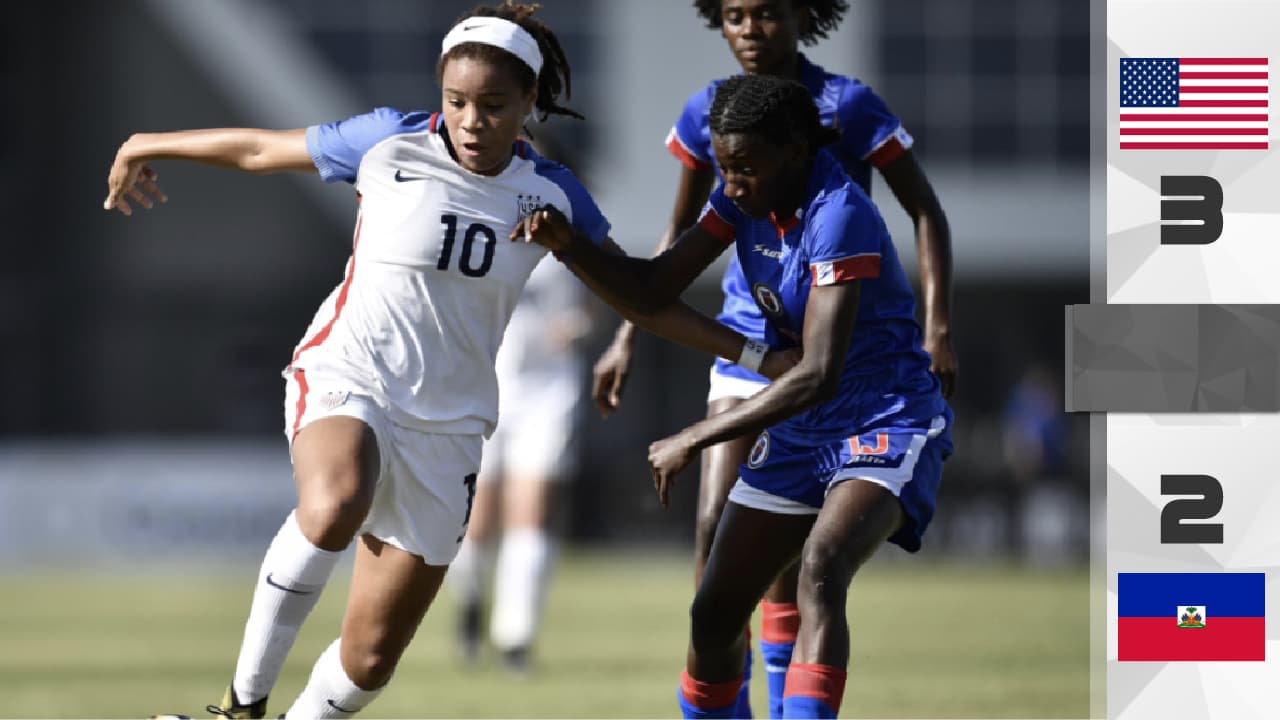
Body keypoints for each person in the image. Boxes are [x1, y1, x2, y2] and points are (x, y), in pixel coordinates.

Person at [103, 4, 791, 717]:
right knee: (337, 502)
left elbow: (642, 298)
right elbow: (257, 150)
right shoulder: (385, 142)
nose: (471, 120)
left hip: (451, 428)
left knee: (369, 662)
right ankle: (239, 705)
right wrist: (148, 142)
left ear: (529, 103)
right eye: (457, 101)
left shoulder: (553, 194)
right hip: (350, 372)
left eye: (493, 106)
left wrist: (754, 353)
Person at [515, 73, 953, 720]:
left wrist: (695, 436)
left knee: (821, 568)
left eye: (746, 166)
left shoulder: (840, 214)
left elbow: (818, 371)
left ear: (797, 152)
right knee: (714, 614)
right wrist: (569, 247)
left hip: (882, 416)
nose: (733, 181)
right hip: (805, 429)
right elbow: (654, 288)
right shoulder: (738, 200)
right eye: (724, 166)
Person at [447, 254, 590, 674]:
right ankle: (470, 604)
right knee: (477, 519)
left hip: (549, 391)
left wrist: (577, 322)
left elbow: (597, 291)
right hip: (480, 388)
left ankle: (516, 638)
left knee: (533, 510)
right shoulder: (475, 224)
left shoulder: (566, 226)